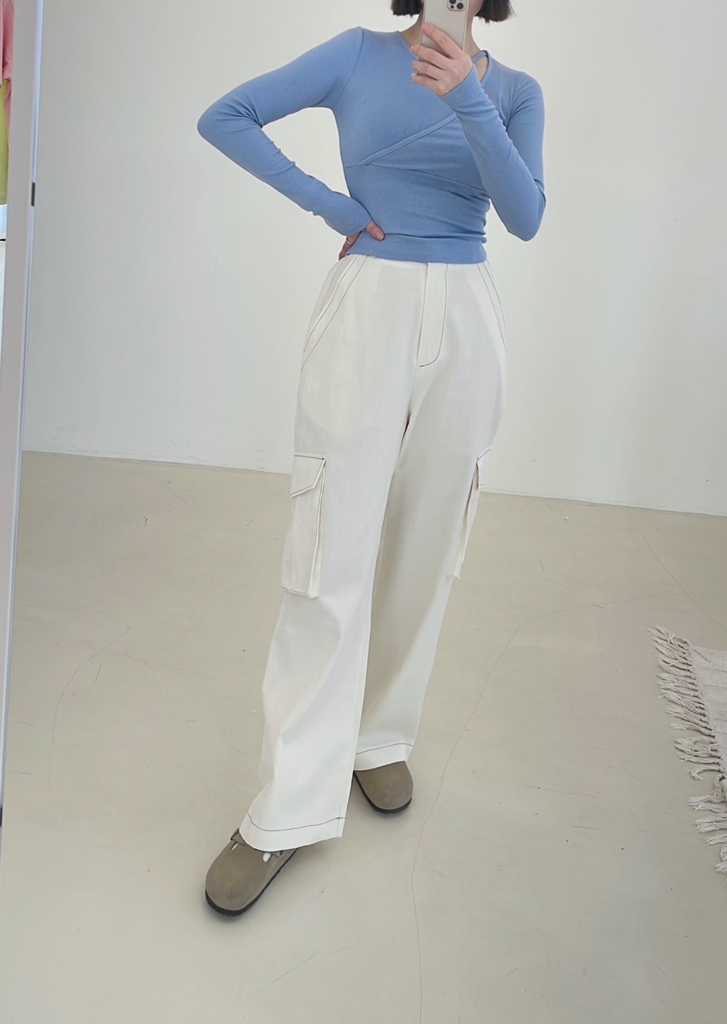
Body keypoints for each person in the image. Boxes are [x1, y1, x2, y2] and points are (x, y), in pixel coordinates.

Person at [197, 0, 545, 916]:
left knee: (428, 547)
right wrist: (333, 207)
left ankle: (378, 737)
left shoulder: (514, 90)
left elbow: (525, 216)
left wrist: (468, 97)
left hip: (467, 318)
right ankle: (284, 808)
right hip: (368, 307)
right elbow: (225, 116)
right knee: (328, 552)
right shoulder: (355, 55)